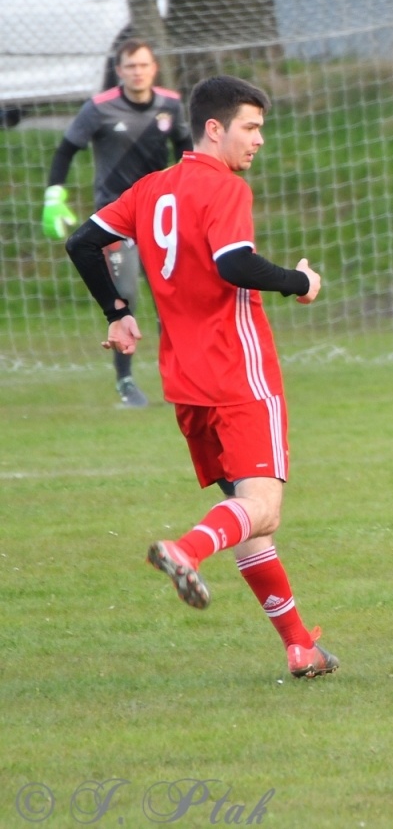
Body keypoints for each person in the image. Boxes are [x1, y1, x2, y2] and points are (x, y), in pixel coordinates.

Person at [64, 75, 339, 679]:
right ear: (214, 128)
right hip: (238, 374)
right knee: (262, 509)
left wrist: (118, 311)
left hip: (184, 382)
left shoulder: (152, 188)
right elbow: (234, 264)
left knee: (245, 514)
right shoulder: (225, 188)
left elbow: (84, 243)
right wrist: (302, 283)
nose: (258, 140)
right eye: (250, 127)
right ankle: (184, 549)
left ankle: (299, 645)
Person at [42, 39, 191, 408]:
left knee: (169, 299)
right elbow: (66, 149)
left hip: (159, 218)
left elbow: (188, 151)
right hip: (115, 218)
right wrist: (53, 195)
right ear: (119, 70)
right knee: (125, 295)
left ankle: (179, 378)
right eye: (130, 66)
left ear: (153, 68)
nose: (137, 71)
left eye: (143, 65)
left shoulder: (170, 105)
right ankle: (125, 382)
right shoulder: (99, 108)